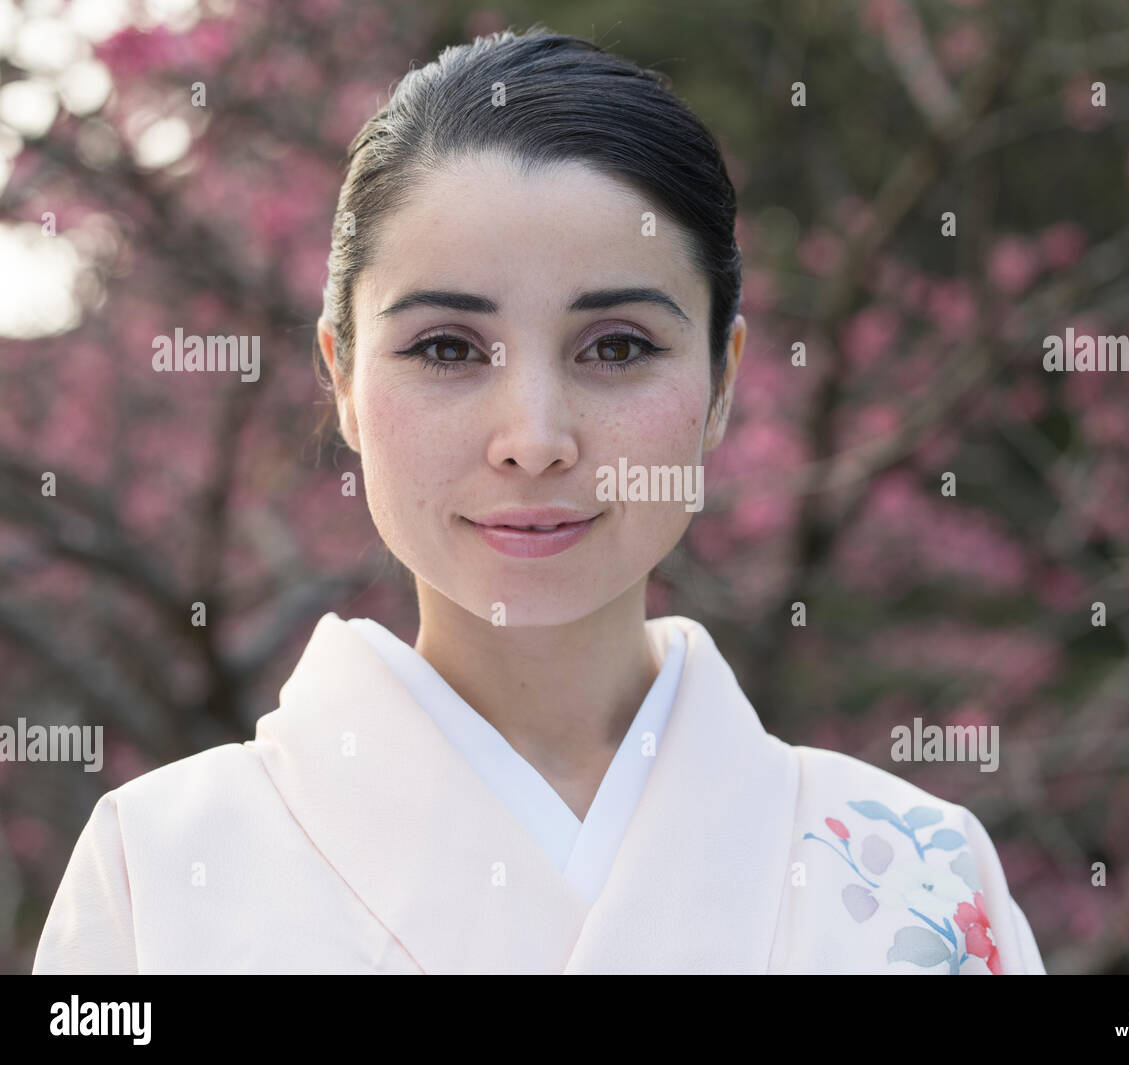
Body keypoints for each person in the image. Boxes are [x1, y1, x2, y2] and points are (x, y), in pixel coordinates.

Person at [33, 26, 1044, 974]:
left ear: (722, 385)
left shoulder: (923, 878)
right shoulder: (155, 872)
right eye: (445, 349)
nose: (535, 441)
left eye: (616, 348)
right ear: (341, 380)